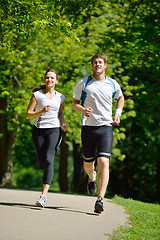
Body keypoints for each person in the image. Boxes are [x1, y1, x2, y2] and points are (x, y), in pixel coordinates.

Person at [72, 53, 124, 213]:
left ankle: (100, 199)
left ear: (105, 65)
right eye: (95, 62)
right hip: (88, 127)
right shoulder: (84, 83)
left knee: (104, 162)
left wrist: (118, 113)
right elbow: (74, 103)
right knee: (88, 164)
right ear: (92, 65)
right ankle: (91, 177)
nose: (97, 65)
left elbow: (120, 98)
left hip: (105, 127)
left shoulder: (112, 84)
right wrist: (82, 109)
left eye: (100, 62)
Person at [26, 68, 68, 207]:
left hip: (54, 130)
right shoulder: (37, 95)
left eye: (52, 78)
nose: (49, 80)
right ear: (45, 80)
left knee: (50, 159)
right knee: (43, 162)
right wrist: (41, 111)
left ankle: (43, 196)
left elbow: (60, 113)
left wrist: (63, 123)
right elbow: (28, 114)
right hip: (38, 130)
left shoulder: (61, 97)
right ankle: (46, 172)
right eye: (47, 78)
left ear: (56, 80)